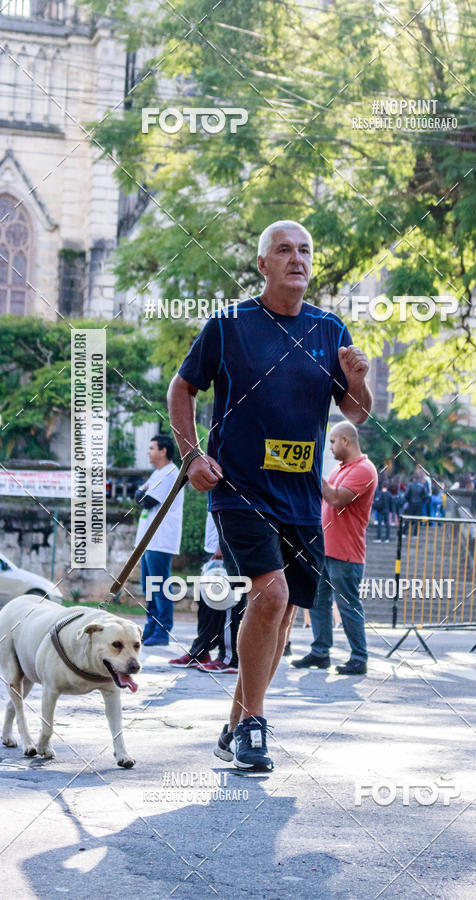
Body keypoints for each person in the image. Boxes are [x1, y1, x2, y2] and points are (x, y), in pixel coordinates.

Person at [167, 219, 372, 772]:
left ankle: (235, 725)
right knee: (271, 595)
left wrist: (357, 379)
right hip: (240, 489)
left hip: (301, 496)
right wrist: (191, 455)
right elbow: (182, 387)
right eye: (283, 250)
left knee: (281, 616)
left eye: (304, 250)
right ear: (263, 264)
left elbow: (355, 414)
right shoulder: (229, 325)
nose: (296, 258)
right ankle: (255, 725)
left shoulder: (330, 329)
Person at [292, 422, 377, 674]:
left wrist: (311, 469)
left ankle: (359, 657)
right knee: (318, 601)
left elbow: (336, 498)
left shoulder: (364, 469)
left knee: (348, 605)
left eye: (332, 441)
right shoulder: (341, 469)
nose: (330, 447)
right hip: (325, 549)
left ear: (345, 441)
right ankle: (320, 653)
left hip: (346, 552)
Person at [168, 511, 244, 672]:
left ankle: (229, 658)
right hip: (212, 550)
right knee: (206, 607)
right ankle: (200, 652)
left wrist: (222, 546)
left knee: (228, 605)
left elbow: (232, 513)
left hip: (228, 549)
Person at [135, 433, 183, 646]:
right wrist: (140, 492)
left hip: (161, 538)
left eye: (152, 448)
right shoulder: (157, 473)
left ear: (163, 451)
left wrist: (140, 492)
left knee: (160, 585)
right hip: (148, 539)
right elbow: (139, 496)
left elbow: (146, 501)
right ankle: (151, 627)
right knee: (148, 587)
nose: (148, 452)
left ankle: (163, 631)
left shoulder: (170, 473)